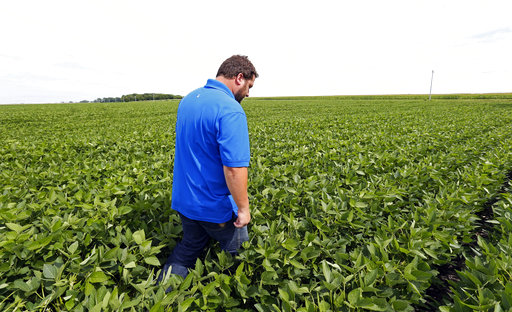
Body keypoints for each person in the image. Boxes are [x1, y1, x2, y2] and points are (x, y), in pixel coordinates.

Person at [159, 55, 258, 281]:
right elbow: (234, 169)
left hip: (186, 202)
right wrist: (243, 209)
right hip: (215, 208)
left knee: (188, 249)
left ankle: (156, 298)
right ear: (239, 78)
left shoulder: (189, 100)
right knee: (238, 259)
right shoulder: (230, 109)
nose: (249, 94)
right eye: (249, 86)